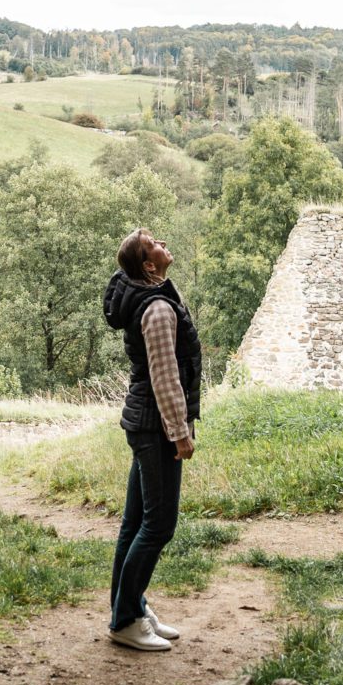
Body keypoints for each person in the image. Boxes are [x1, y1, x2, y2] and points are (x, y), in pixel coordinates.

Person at [101, 226, 202, 651]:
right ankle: (126, 618)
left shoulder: (151, 298)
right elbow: (165, 377)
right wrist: (180, 433)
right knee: (158, 525)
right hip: (155, 426)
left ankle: (131, 609)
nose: (165, 242)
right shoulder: (158, 308)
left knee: (134, 522)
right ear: (148, 265)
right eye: (155, 243)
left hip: (143, 423)